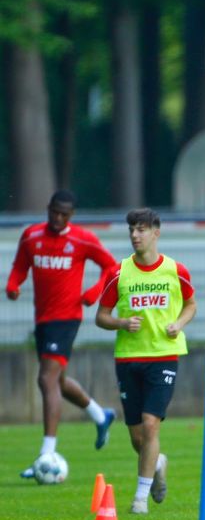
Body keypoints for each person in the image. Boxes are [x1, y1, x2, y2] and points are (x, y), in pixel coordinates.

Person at [6, 190, 118, 478]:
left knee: (46, 378)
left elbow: (111, 266)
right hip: (42, 319)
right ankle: (99, 415)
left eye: (64, 215)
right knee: (58, 380)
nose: (57, 218)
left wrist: (96, 291)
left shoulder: (82, 239)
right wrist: (13, 284)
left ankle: (47, 453)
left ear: (72, 216)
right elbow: (20, 266)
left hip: (67, 317)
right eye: (54, 212)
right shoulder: (31, 236)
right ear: (48, 208)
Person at [95, 209, 196, 514]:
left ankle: (140, 498)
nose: (135, 236)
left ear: (156, 233)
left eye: (141, 230)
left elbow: (191, 304)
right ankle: (158, 462)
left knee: (152, 425)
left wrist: (179, 324)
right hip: (128, 358)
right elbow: (101, 317)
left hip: (163, 356)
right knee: (138, 436)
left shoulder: (175, 271)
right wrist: (122, 323)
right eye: (132, 231)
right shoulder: (118, 273)